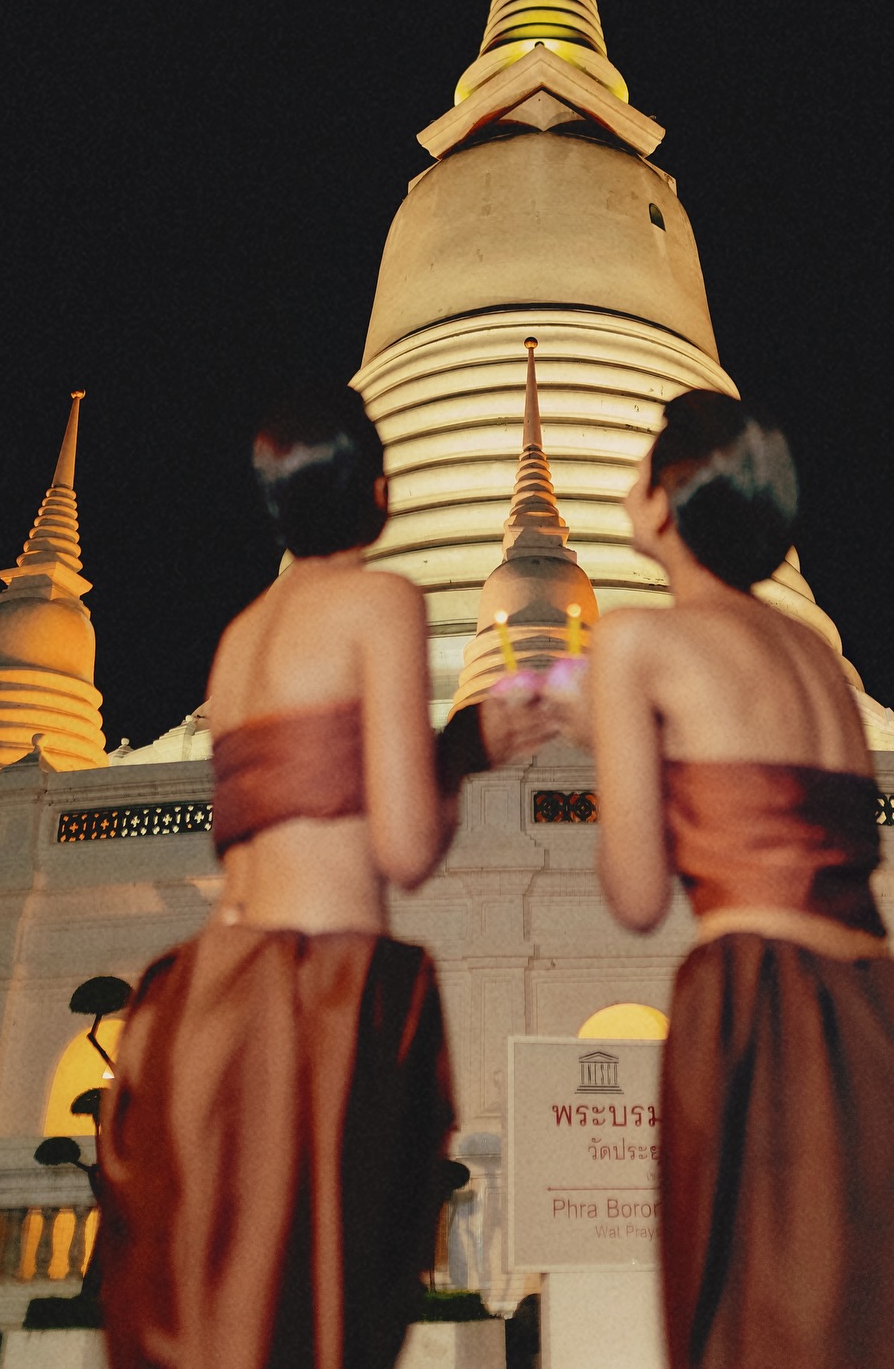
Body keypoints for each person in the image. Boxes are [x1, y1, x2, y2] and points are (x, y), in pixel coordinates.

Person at [99, 384, 551, 1369]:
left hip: (204, 995)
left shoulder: (236, 643)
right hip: (316, 1000)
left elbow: (281, 815)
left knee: (221, 1315)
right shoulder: (378, 601)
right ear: (381, 493)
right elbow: (402, 849)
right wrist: (466, 747)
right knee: (310, 1324)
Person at [564, 391, 894, 1369]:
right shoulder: (812, 652)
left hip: (768, 1010)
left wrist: (615, 750)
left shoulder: (639, 643)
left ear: (662, 500)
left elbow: (636, 896)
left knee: (778, 1319)